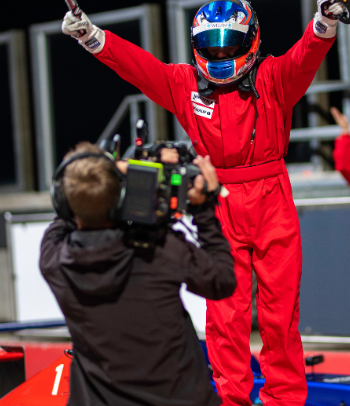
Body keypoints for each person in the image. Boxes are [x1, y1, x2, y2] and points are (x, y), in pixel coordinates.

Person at [62, 0, 347, 406]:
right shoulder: (183, 83)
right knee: (225, 315)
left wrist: (324, 23)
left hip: (271, 196)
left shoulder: (271, 77)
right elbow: (139, 67)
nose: (220, 54)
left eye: (230, 45)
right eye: (211, 46)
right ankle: (231, 400)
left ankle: (284, 400)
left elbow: (304, 57)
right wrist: (92, 37)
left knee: (280, 314)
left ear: (250, 40)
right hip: (220, 200)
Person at [40, 142, 234, 405]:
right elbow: (222, 281)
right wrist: (204, 211)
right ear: (120, 195)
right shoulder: (160, 248)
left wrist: (110, 176)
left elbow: (70, 210)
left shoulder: (55, 260)